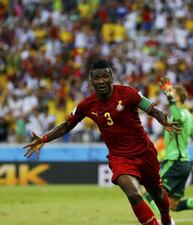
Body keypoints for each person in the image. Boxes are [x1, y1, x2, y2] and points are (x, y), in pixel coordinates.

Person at [23, 59, 180, 225]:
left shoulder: (128, 93)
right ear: (91, 81)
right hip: (120, 157)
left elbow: (153, 110)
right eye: (96, 78)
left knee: (158, 195)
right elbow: (67, 125)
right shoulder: (86, 105)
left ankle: (166, 219)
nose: (101, 81)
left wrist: (165, 121)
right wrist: (45, 138)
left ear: (111, 77)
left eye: (104, 77)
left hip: (144, 153)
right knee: (133, 193)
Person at [143, 78, 193, 220]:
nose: (169, 94)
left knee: (148, 191)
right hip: (185, 162)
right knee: (174, 204)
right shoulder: (190, 116)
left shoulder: (178, 113)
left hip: (175, 161)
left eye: (171, 92)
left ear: (177, 97)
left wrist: (170, 98)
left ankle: (167, 222)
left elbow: (178, 118)